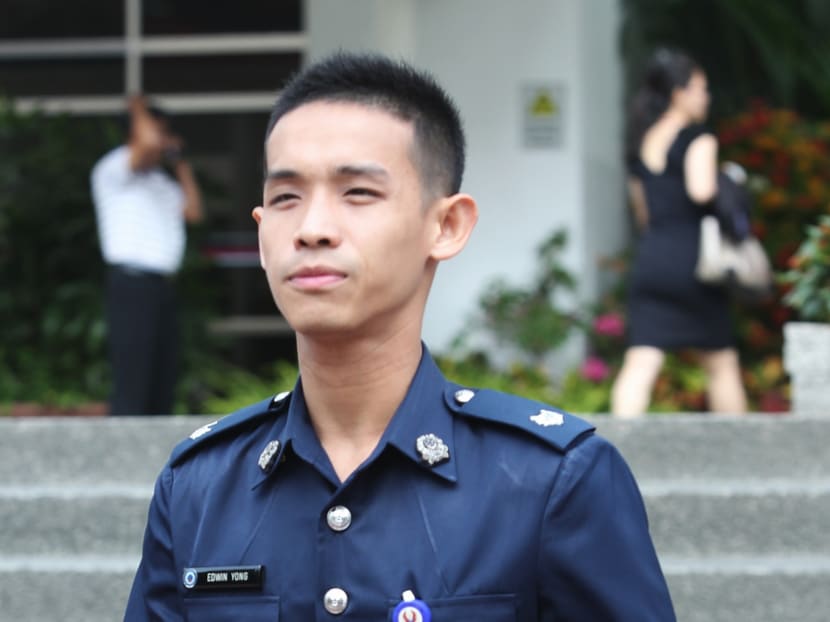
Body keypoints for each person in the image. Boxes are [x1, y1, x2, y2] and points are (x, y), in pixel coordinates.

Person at [125, 53, 675, 620]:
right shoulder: (199, 488)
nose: (312, 229)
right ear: (263, 234)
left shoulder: (549, 481)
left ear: (446, 226)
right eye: (286, 197)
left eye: (358, 192)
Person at [611, 49, 748, 418]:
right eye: (700, 89)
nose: (707, 97)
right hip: (695, 262)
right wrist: (729, 182)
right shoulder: (698, 138)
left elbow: (643, 214)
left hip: (653, 259)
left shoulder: (641, 144)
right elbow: (701, 191)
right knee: (720, 365)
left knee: (640, 363)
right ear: (678, 94)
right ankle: (741, 456)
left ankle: (620, 453)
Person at [91, 96, 203, 416]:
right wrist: (137, 105)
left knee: (162, 374)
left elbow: (194, 212)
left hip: (162, 287)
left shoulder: (162, 182)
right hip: (132, 282)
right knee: (133, 374)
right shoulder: (114, 167)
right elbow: (148, 142)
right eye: (159, 130)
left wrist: (180, 162)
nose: (162, 138)